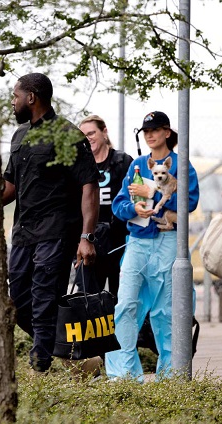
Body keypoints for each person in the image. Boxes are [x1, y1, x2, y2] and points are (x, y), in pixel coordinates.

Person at [0, 73, 101, 375]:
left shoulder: (68, 135)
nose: (12, 102)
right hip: (24, 233)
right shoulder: (19, 136)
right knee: (18, 301)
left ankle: (40, 370)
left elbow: (89, 187)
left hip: (57, 232)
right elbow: (9, 187)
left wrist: (86, 237)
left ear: (32, 97)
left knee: (43, 301)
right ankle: (76, 356)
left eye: (15, 96)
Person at [105, 111, 199, 381]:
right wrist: (132, 207)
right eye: (146, 131)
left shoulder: (182, 165)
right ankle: (124, 376)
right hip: (137, 242)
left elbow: (189, 202)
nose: (150, 135)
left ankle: (171, 378)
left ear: (167, 132)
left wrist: (155, 193)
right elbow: (119, 204)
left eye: (155, 129)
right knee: (125, 305)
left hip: (168, 241)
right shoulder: (136, 165)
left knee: (165, 311)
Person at [78, 115, 133, 296]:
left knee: (123, 296)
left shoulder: (123, 162)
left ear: (104, 132)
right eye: (83, 135)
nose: (88, 138)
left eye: (92, 133)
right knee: (89, 297)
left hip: (119, 240)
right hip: (90, 239)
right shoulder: (79, 166)